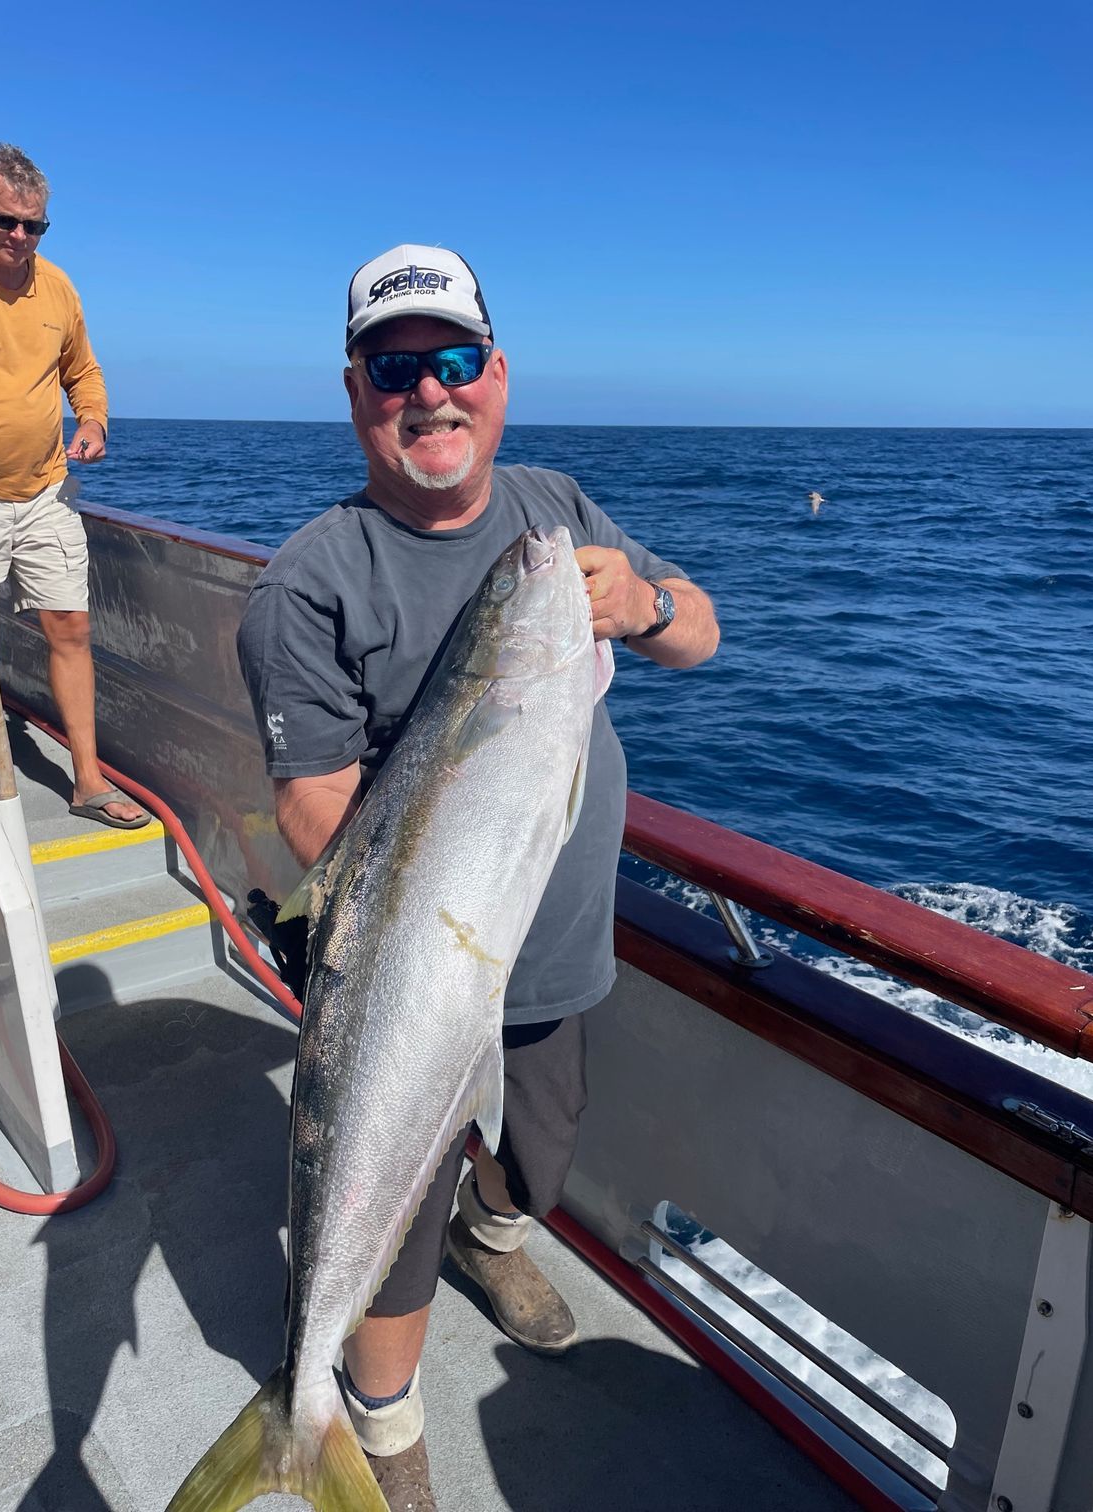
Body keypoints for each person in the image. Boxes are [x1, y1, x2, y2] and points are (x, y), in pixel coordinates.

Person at [237, 243, 719, 1509]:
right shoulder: (304, 586)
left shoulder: (556, 511)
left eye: (455, 362)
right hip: (410, 988)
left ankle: (490, 1232)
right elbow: (310, 807)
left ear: (497, 375)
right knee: (378, 1247)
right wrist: (407, 945)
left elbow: (701, 635)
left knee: (537, 1168)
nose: (431, 394)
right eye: (398, 370)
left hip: (555, 959)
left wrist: (647, 602)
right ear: (355, 392)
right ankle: (363, 1431)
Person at [0, 143, 146, 826]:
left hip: (43, 491)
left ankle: (88, 780)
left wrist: (93, 419)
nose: (19, 237)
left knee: (70, 626)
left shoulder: (58, 287)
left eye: (33, 226)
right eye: (5, 221)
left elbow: (83, 371)